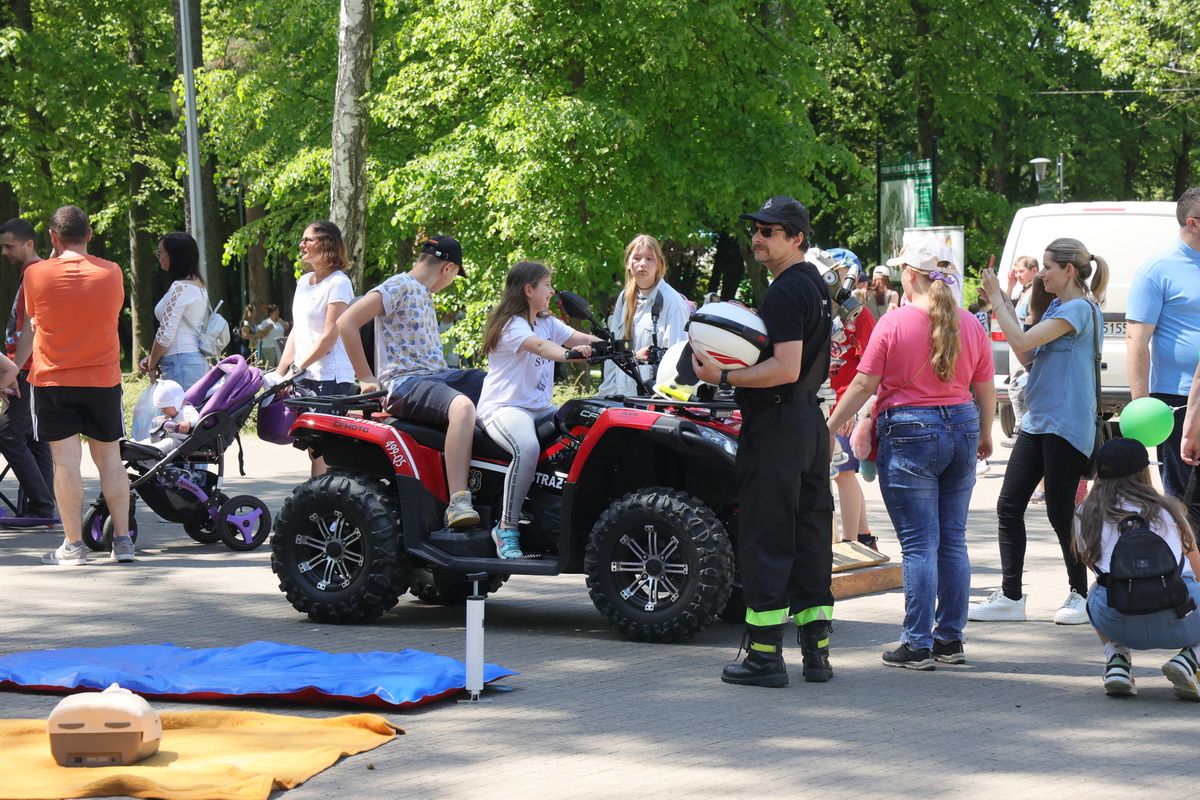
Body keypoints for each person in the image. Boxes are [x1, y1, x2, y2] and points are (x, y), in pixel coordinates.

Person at [827, 234, 994, 669]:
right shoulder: (969, 324)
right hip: (962, 427)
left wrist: (829, 428)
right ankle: (950, 640)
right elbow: (985, 386)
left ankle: (917, 643)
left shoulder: (894, 323)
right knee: (952, 541)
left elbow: (864, 384)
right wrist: (987, 433)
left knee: (920, 545)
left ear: (910, 275)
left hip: (909, 433)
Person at [693, 196, 834, 688]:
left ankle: (764, 657)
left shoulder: (784, 290)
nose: (757, 237)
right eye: (755, 228)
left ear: (796, 238)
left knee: (767, 538)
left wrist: (724, 373)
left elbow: (785, 367)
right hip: (809, 425)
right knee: (811, 535)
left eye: (769, 231)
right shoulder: (816, 285)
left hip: (777, 425)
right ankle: (816, 654)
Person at [972, 238, 1109, 625]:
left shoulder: (1080, 309)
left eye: (1047, 266)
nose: (1041, 273)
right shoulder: (1057, 306)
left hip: (1066, 423)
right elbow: (1025, 353)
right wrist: (1002, 304)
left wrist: (999, 299)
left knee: (1060, 511)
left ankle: (1082, 595)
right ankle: (1012, 597)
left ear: (1068, 269)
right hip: (1038, 420)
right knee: (1008, 506)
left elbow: (1022, 339)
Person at [338, 235, 483, 528]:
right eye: (456, 276)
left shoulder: (423, 293)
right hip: (405, 383)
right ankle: (458, 502)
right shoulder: (398, 286)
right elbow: (346, 322)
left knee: (492, 385)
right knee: (463, 408)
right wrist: (366, 377)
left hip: (436, 377)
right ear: (449, 269)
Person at [17, 206, 133, 565]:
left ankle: (73, 546)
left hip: (54, 379)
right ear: (91, 234)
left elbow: (34, 320)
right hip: (103, 379)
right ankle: (123, 541)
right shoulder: (112, 272)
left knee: (65, 462)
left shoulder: (34, 274)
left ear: (52, 237)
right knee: (111, 461)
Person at [476, 261, 599, 558]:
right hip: (505, 407)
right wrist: (571, 355)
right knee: (527, 448)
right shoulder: (511, 326)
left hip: (540, 408)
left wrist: (625, 349)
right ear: (529, 290)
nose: (552, 290)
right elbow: (544, 348)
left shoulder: (545, 320)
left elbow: (580, 338)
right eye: (547, 285)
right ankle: (506, 528)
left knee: (587, 429)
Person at [1073, 437, 1200, 699]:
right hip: (1181, 620)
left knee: (1098, 589)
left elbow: (1094, 565)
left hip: (1119, 621)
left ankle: (1117, 661)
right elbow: (1196, 566)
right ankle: (1190, 657)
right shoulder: (1169, 509)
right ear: (1143, 472)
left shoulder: (1084, 513)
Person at [1126, 188, 1200, 514]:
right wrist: (1141, 408)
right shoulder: (1157, 270)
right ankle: (1186, 562)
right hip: (1177, 400)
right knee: (1185, 499)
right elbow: (1137, 340)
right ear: (1193, 223)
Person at [273, 221, 356, 477]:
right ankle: (319, 500)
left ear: (326, 244)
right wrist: (281, 373)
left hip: (330, 377)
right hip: (306, 375)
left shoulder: (339, 283)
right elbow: (298, 330)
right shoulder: (303, 281)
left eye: (307, 240)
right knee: (312, 445)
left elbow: (330, 335)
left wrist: (297, 369)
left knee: (323, 448)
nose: (301, 245)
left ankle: (324, 501)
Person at [0, 218, 57, 526]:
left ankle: (42, 505)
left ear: (29, 244)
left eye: (9, 246)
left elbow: (31, 329)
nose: (5, 252)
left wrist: (15, 370)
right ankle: (43, 509)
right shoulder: (31, 274)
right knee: (35, 438)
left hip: (25, 368)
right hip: (25, 366)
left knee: (8, 434)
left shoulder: (35, 273)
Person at [824, 247, 879, 550]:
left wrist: (853, 411)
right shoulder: (821, 308)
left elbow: (871, 366)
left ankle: (850, 541)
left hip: (844, 405)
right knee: (832, 476)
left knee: (842, 474)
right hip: (822, 402)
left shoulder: (861, 314)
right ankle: (863, 537)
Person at [596, 234, 690, 396]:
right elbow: (615, 351)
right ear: (627, 263)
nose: (642, 264)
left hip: (652, 397)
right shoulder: (625, 298)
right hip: (621, 394)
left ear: (659, 264)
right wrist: (607, 393)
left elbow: (676, 359)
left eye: (649, 259)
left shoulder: (672, 301)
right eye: (637, 258)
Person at [138, 232, 208, 390]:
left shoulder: (180, 287)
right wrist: (153, 358)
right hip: (193, 360)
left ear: (174, 256)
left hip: (180, 363)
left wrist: (152, 364)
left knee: (179, 414)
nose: (158, 257)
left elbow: (165, 334)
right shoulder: (198, 284)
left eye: (160, 252)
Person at [138, 380, 198, 458]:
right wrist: (164, 418)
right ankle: (137, 445)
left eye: (165, 409)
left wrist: (189, 422)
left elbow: (197, 418)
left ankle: (152, 449)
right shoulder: (174, 413)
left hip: (180, 441)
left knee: (168, 443)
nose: (163, 412)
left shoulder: (187, 410)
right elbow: (171, 417)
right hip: (170, 435)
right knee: (153, 439)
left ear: (176, 403)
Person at [256, 304, 289, 368]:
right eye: (275, 311)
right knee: (270, 366)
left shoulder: (279, 321)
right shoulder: (265, 322)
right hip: (269, 347)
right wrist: (268, 328)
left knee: (281, 365)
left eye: (278, 311)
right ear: (271, 313)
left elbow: (287, 327)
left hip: (280, 346)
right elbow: (263, 335)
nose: (277, 313)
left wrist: (280, 320)